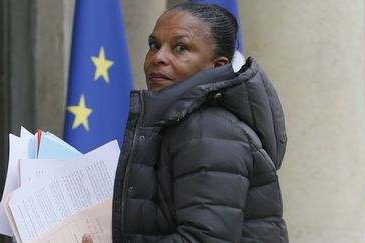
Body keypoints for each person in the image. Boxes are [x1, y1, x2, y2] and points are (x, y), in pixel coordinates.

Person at [84, 2, 288, 242]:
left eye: (180, 48)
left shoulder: (207, 129)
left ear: (217, 67)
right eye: (154, 45)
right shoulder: (179, 123)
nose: (158, 57)